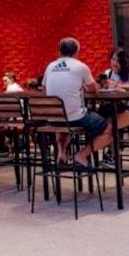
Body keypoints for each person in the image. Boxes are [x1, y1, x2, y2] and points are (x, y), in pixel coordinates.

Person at [42, 37, 113, 170]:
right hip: (75, 117)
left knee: (63, 123)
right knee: (109, 130)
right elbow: (93, 89)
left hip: (54, 118)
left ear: (59, 51)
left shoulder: (50, 67)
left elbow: (45, 90)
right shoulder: (81, 67)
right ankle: (81, 155)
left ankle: (61, 153)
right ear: (77, 52)